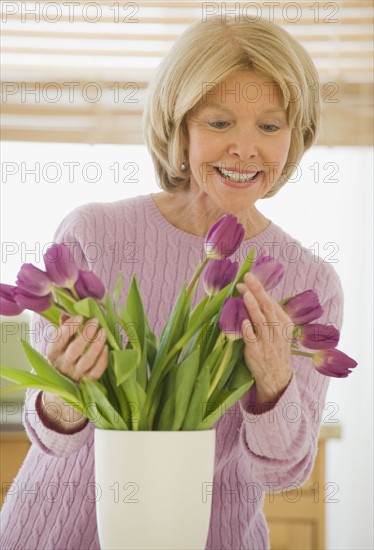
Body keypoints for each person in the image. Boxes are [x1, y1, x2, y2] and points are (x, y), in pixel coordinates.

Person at [0, 16, 344, 550]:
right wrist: (66, 390)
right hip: (55, 536)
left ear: (294, 138)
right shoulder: (98, 233)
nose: (245, 149)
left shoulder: (308, 283)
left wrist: (275, 384)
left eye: (270, 127)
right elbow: (49, 438)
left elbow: (285, 474)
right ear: (179, 128)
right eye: (219, 122)